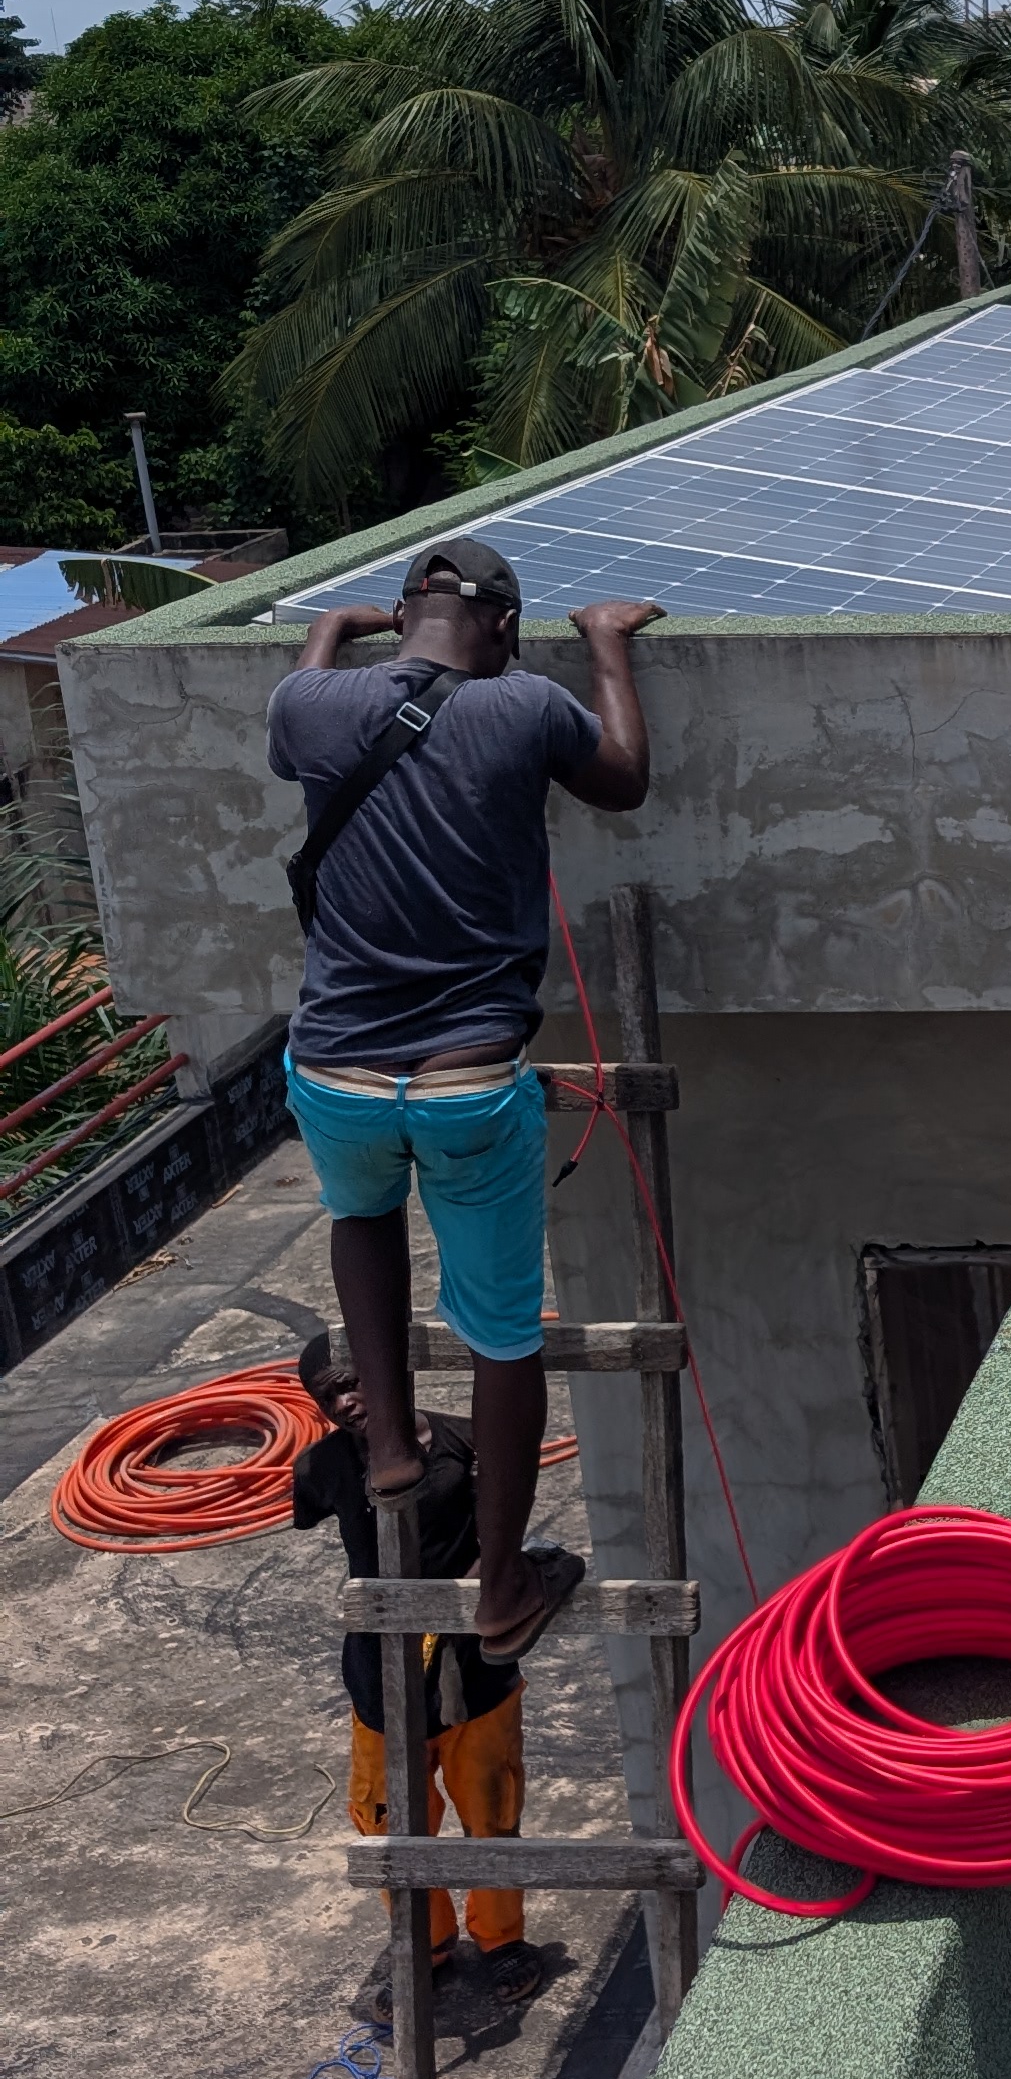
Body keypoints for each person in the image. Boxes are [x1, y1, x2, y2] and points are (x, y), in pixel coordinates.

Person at [267, 537, 658, 1663]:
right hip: (467, 1084)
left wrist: (333, 628)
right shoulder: (524, 705)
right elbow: (624, 780)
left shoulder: (310, 704)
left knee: (360, 1216)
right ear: (505, 628)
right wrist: (605, 644)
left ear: (401, 619)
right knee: (501, 1338)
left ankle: (392, 1444)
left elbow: (299, 697)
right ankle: (501, 1585)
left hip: (333, 1071)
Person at [290, 1327, 536, 1998]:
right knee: (389, 1823)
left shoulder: (468, 1443)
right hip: (380, 1682)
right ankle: (424, 1944)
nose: (344, 1403)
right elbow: (308, 1508)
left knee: (490, 1811)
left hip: (475, 1676)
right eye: (327, 1397)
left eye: (352, 1383)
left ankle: (502, 1940)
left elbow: (507, 1526)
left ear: (388, 1371)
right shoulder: (322, 1469)